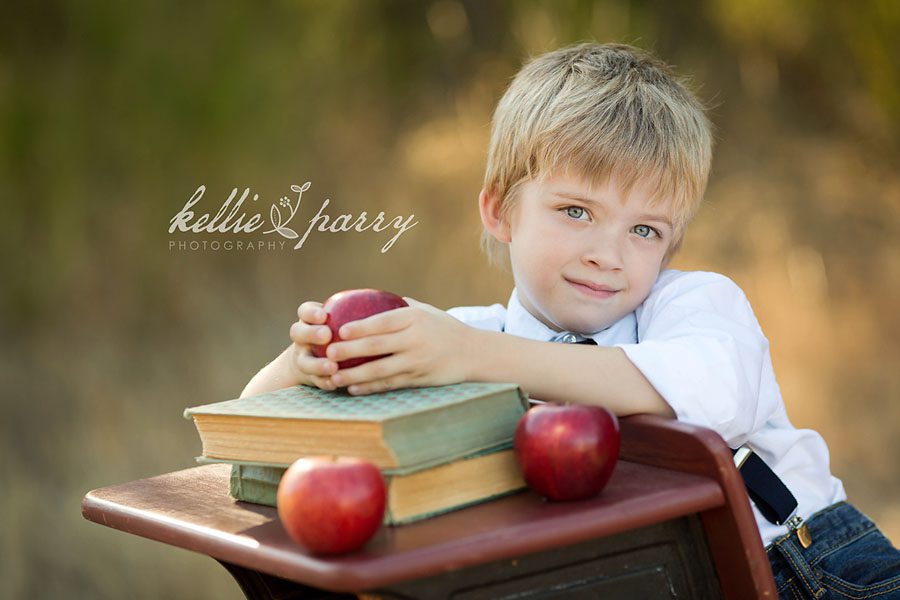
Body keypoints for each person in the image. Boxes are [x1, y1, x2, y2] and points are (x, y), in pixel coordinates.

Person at [241, 43, 900, 598]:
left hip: (811, 570)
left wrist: (468, 356)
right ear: (499, 212)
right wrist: (310, 365)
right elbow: (249, 426)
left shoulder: (691, 306)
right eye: (576, 211)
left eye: (644, 229)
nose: (606, 254)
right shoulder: (466, 339)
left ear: (670, 247)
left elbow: (710, 392)